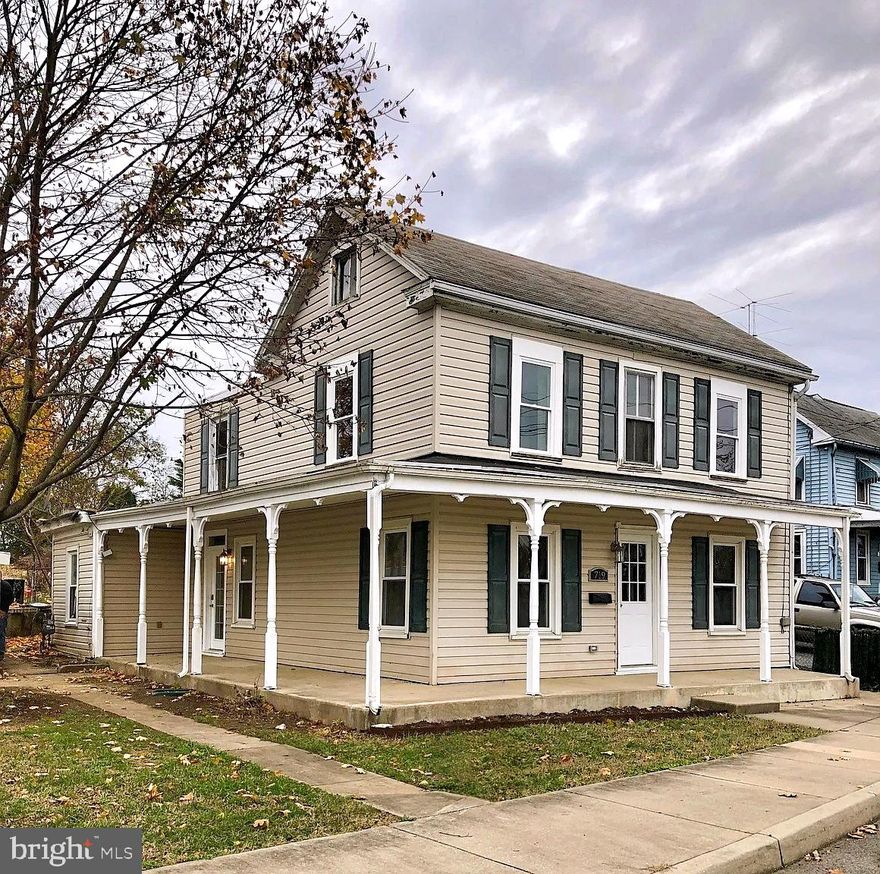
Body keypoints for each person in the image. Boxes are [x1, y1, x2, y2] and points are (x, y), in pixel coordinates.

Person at [0, 577, 13, 662]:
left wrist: (3, 610)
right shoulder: (6, 585)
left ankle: (1, 652)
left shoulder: (5, 586)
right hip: (3, 611)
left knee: (1, 632)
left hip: (2, 612)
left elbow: (9, 599)